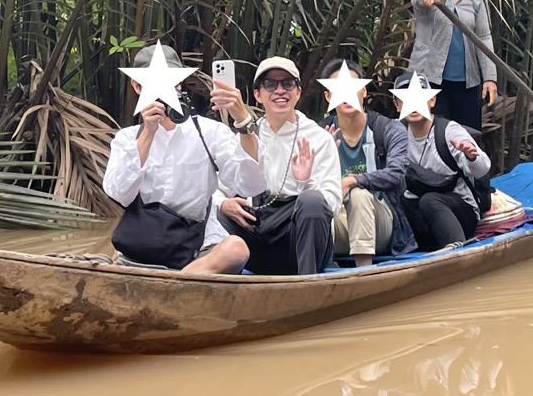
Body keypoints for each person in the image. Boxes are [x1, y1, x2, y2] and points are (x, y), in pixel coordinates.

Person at [103, 42, 263, 273]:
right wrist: (148, 132)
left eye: (170, 82)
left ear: (179, 84)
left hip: (196, 250)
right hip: (141, 249)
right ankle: (178, 283)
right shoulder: (127, 139)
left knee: (236, 249)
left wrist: (244, 122)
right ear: (137, 86)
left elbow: (251, 184)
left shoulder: (209, 132)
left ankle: (177, 283)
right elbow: (120, 195)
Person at [217, 57, 341, 275]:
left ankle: (307, 290)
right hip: (259, 230)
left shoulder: (319, 138)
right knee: (221, 213)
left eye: (287, 83)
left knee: (312, 200)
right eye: (270, 85)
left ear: (298, 92)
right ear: (258, 95)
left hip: (301, 240)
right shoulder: (247, 135)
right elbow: (217, 187)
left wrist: (305, 182)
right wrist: (222, 203)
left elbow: (331, 203)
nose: (279, 91)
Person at [318, 58, 416, 264]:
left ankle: (364, 271)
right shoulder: (319, 134)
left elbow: (397, 173)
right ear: (328, 95)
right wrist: (322, 157)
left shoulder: (387, 129)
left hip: (379, 222)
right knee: (308, 209)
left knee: (359, 194)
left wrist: (353, 181)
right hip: (337, 222)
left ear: (363, 91)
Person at [392, 70, 491, 250]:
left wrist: (471, 155)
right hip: (421, 216)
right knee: (397, 201)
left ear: (432, 101)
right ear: (397, 105)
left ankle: (457, 248)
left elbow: (482, 168)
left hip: (460, 213)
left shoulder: (449, 131)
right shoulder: (394, 133)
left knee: (429, 200)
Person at [408, 0, 497, 132]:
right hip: (428, 79)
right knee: (432, 136)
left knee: (467, 136)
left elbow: (484, 37)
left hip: (467, 81)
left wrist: (490, 77)